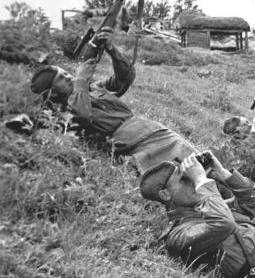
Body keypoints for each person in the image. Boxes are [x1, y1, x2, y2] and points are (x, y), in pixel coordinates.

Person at [28, 27, 195, 176]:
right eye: (62, 79)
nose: (69, 77)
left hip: (149, 130)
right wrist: (81, 80)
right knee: (189, 169)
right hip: (135, 142)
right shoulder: (64, 113)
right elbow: (83, 116)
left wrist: (111, 49)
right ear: (52, 93)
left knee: (198, 161)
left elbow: (125, 78)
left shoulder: (93, 89)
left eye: (67, 73)